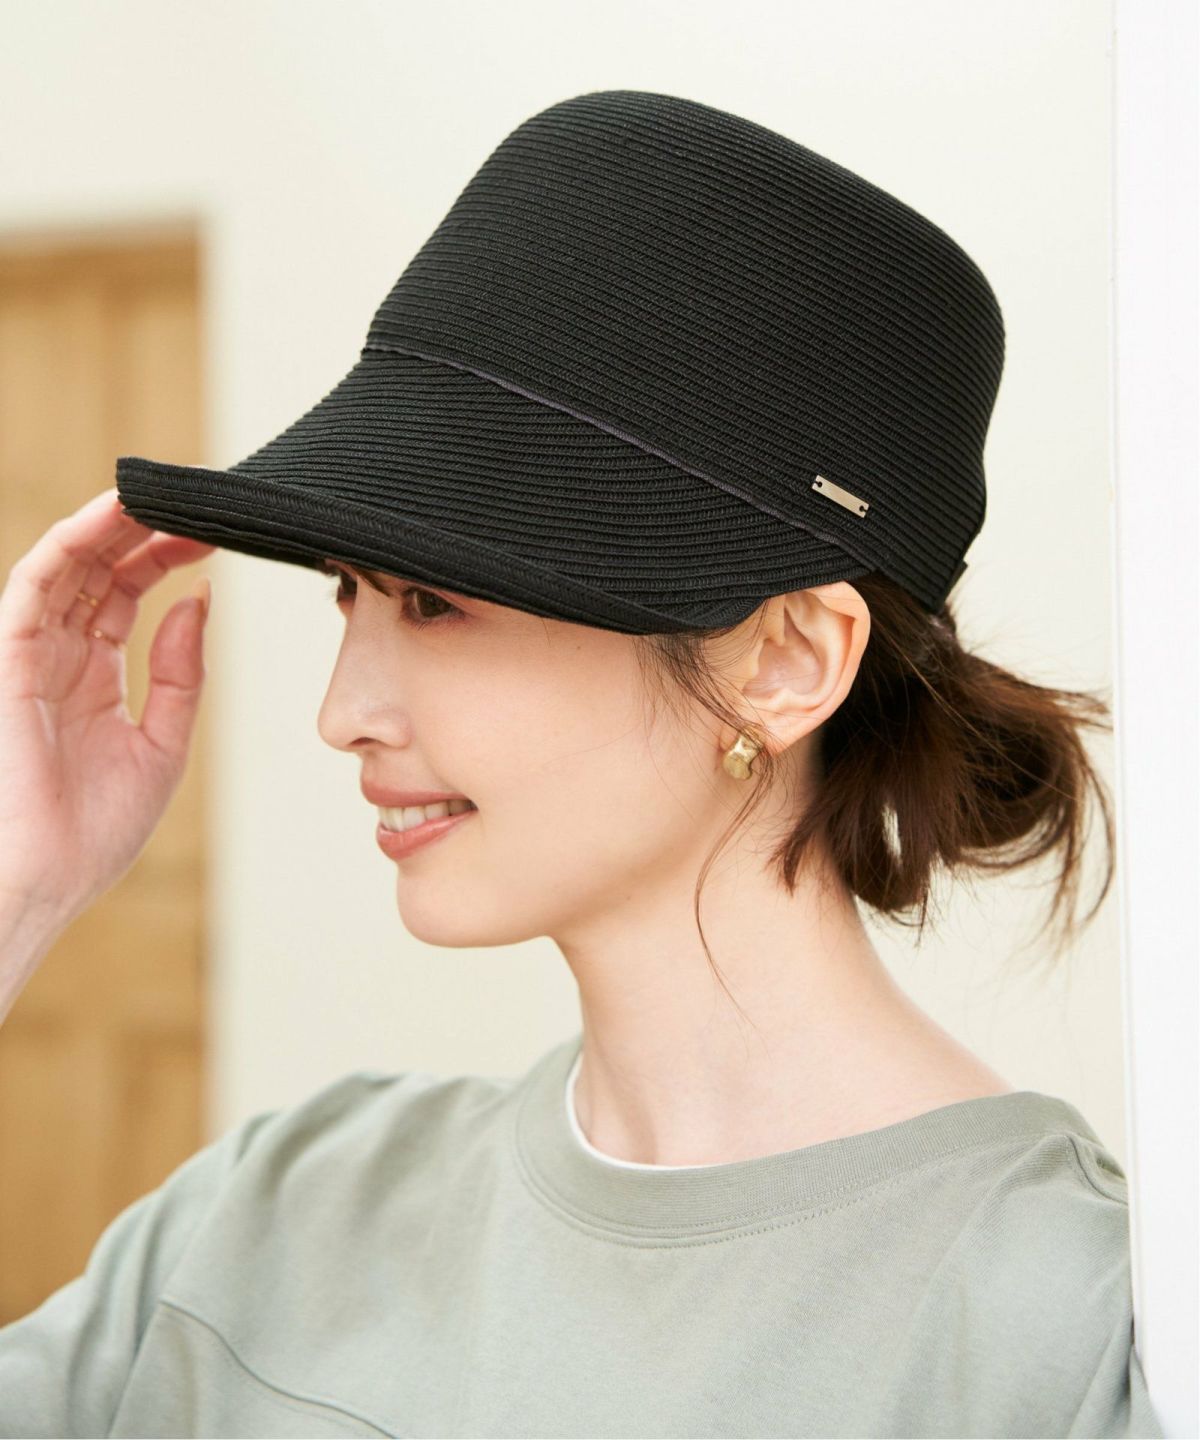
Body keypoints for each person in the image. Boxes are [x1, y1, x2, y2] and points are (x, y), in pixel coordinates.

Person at [0, 90, 1163, 1438]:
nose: (342, 713)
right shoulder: (274, 1211)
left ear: (788, 660)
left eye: (432, 601)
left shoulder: (1068, 1333)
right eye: (348, 592)